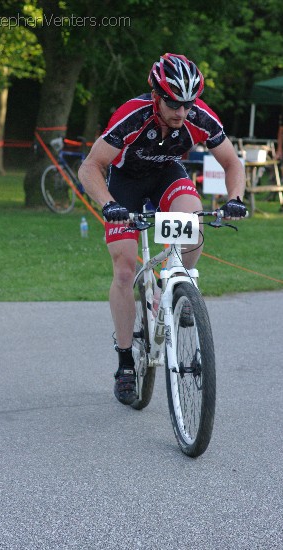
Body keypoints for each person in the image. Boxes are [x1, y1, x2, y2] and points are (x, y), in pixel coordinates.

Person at [78, 53, 247, 405]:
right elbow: (90, 166)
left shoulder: (199, 117)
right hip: (124, 183)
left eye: (187, 104)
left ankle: (176, 284)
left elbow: (231, 162)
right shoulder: (133, 116)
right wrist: (109, 204)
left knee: (193, 216)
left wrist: (236, 198)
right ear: (156, 94)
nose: (181, 112)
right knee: (125, 270)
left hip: (166, 175)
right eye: (173, 102)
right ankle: (126, 362)